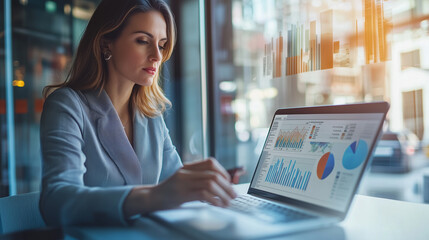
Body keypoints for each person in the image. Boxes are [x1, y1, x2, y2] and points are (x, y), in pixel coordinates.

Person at [40, 0, 236, 226]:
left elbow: (173, 185)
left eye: (162, 45)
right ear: (106, 43)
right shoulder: (67, 106)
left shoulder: (151, 114)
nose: (157, 56)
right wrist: (154, 196)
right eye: (143, 41)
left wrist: (205, 184)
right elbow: (56, 202)